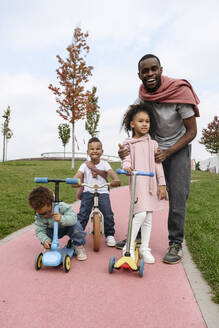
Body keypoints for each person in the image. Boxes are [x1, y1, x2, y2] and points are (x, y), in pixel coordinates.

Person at [116, 54, 199, 265]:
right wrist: (126, 150)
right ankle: (138, 235)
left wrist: (169, 151)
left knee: (178, 194)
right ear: (139, 75)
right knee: (141, 191)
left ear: (161, 69)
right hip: (151, 147)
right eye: (145, 71)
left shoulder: (179, 91)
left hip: (178, 147)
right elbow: (131, 121)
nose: (150, 74)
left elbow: (191, 132)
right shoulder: (143, 96)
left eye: (154, 69)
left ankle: (176, 242)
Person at [120, 103, 167, 263]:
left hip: (151, 184)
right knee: (139, 214)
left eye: (147, 121)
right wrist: (126, 166)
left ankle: (145, 248)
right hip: (138, 184)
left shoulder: (152, 144)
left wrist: (162, 184)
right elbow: (126, 159)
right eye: (141, 121)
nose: (145, 124)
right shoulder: (128, 144)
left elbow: (158, 165)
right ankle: (128, 246)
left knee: (148, 217)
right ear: (132, 124)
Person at [74, 137, 120, 247]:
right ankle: (77, 235)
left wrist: (116, 180)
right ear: (87, 152)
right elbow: (78, 175)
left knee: (107, 212)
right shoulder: (84, 165)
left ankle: (110, 234)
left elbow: (112, 174)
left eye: (98, 148)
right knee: (83, 214)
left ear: (102, 151)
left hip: (103, 192)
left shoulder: (105, 164)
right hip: (88, 191)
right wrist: (75, 181)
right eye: (92, 149)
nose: (95, 151)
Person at [28, 186, 87, 261]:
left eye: (47, 212)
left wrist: (62, 218)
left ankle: (79, 246)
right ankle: (50, 248)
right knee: (45, 236)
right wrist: (45, 240)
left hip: (66, 227)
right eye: (41, 214)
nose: (45, 216)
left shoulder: (62, 207)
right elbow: (39, 230)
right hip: (52, 230)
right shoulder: (40, 217)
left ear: (53, 203)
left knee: (76, 227)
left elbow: (73, 218)